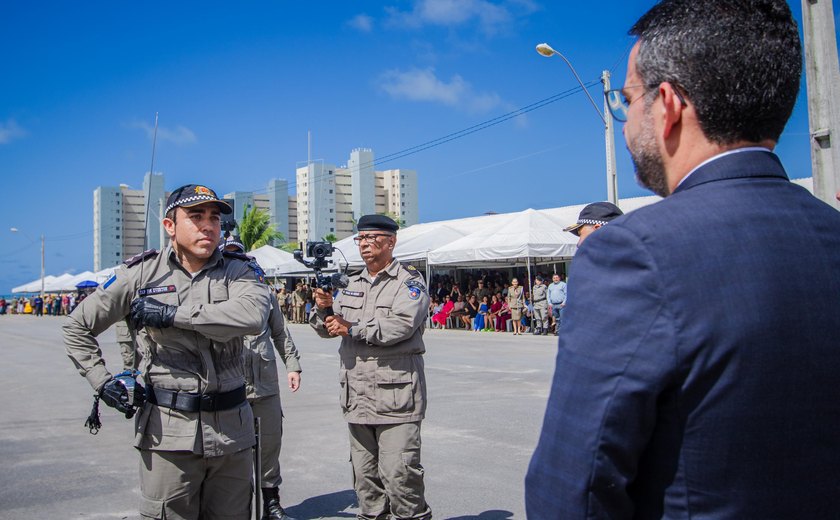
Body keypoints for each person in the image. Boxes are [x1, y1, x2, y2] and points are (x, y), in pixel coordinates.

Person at [526, 1, 840, 517]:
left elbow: (576, 487)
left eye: (626, 101)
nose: (626, 125)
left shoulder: (633, 252)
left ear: (667, 104)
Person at [64, 184, 271, 519]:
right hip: (168, 433)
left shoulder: (238, 270)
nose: (208, 226)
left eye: (214, 218)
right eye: (196, 217)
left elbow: (251, 316)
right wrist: (101, 381)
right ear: (169, 226)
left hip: (232, 432)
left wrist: (173, 315)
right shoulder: (141, 274)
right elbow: (77, 327)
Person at [310, 214, 432, 520]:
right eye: (360, 239)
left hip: (396, 398)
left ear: (391, 241)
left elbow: (400, 326)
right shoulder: (350, 282)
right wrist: (324, 306)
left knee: (400, 477)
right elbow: (327, 327)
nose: (364, 245)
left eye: (372, 238)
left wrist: (350, 327)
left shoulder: (409, 282)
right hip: (358, 395)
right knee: (366, 482)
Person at [223, 236, 301, 520]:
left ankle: (271, 503)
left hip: (265, 383)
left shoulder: (264, 292)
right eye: (228, 257)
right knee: (233, 454)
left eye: (238, 256)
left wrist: (293, 364)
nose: (235, 262)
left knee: (269, 445)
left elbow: (280, 332)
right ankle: (239, 508)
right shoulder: (217, 293)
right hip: (231, 384)